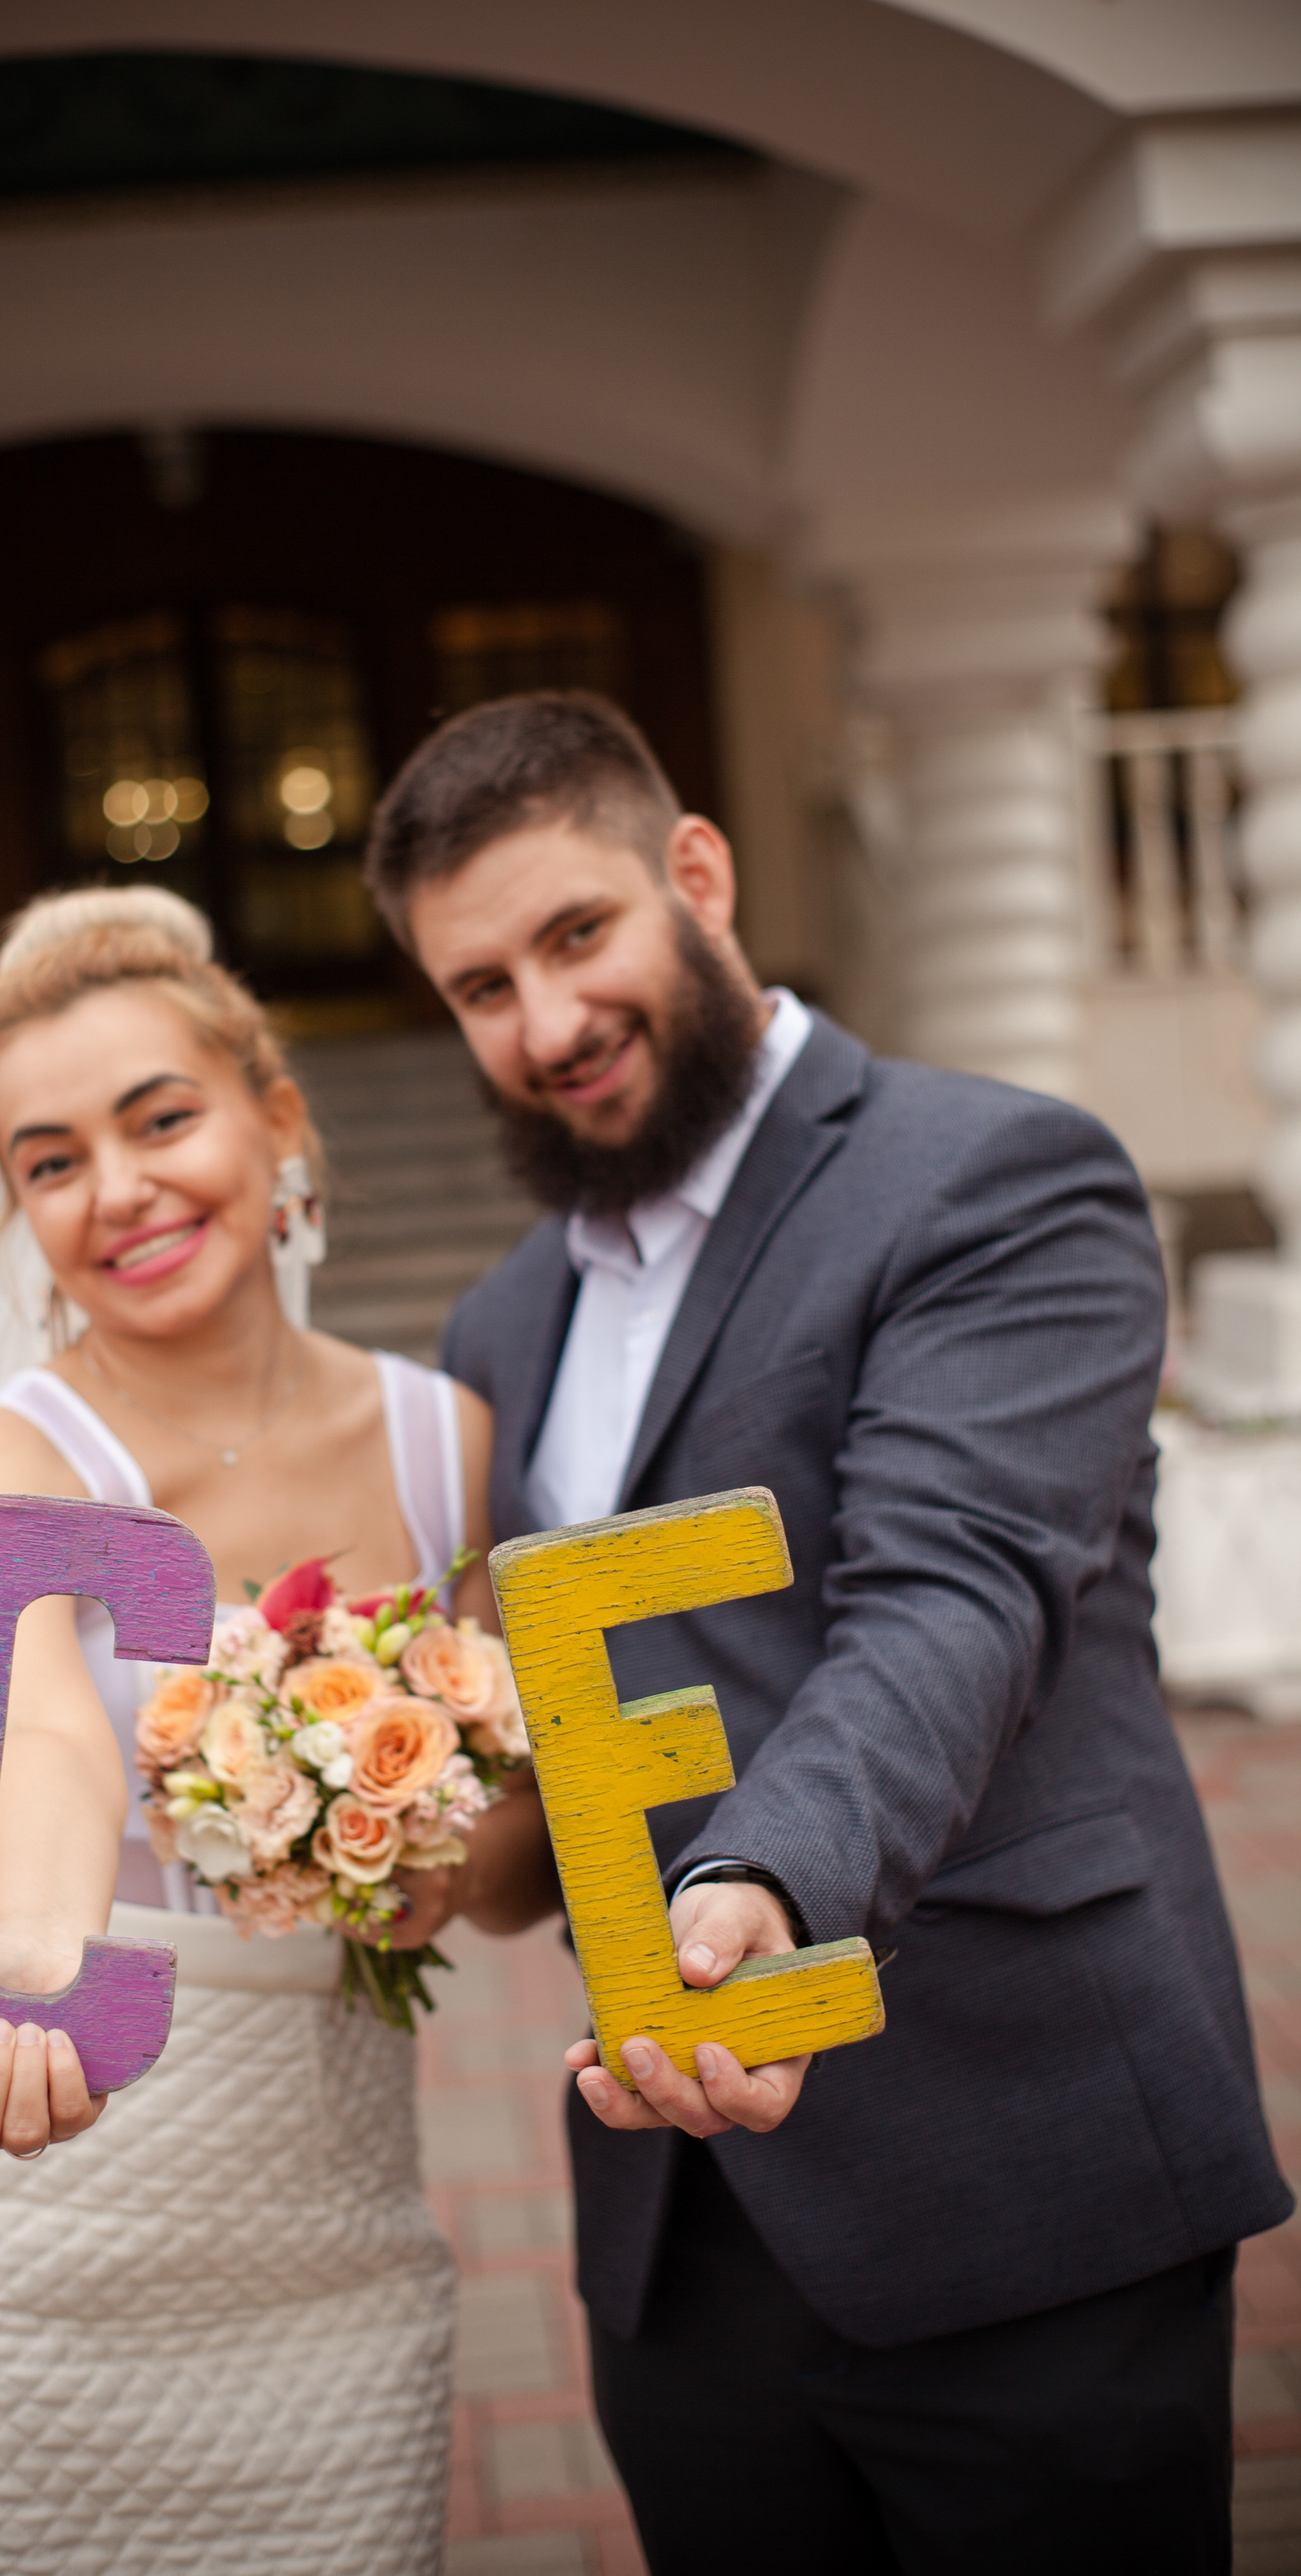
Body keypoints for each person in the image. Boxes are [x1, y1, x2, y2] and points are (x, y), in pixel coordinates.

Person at [363, 690, 1292, 2576]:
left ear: (695, 875)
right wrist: (407, 1840)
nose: (544, 1027)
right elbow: (577, 1719)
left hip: (1017, 2160)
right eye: (479, 989)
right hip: (679, 2223)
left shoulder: (992, 1180)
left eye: (577, 936)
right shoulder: (497, 1327)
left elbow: (954, 1593)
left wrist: (767, 1884)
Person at [0, 886, 552, 2576]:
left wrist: (430, 1861)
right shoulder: (0, 1465)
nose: (114, 1192)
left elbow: (513, 1864)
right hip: (21, 2199)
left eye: (160, 1119)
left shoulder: (447, 1440)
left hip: (323, 2220)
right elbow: (37, 1733)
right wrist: (16, 1968)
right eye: (48, 1162)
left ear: (278, 1125)